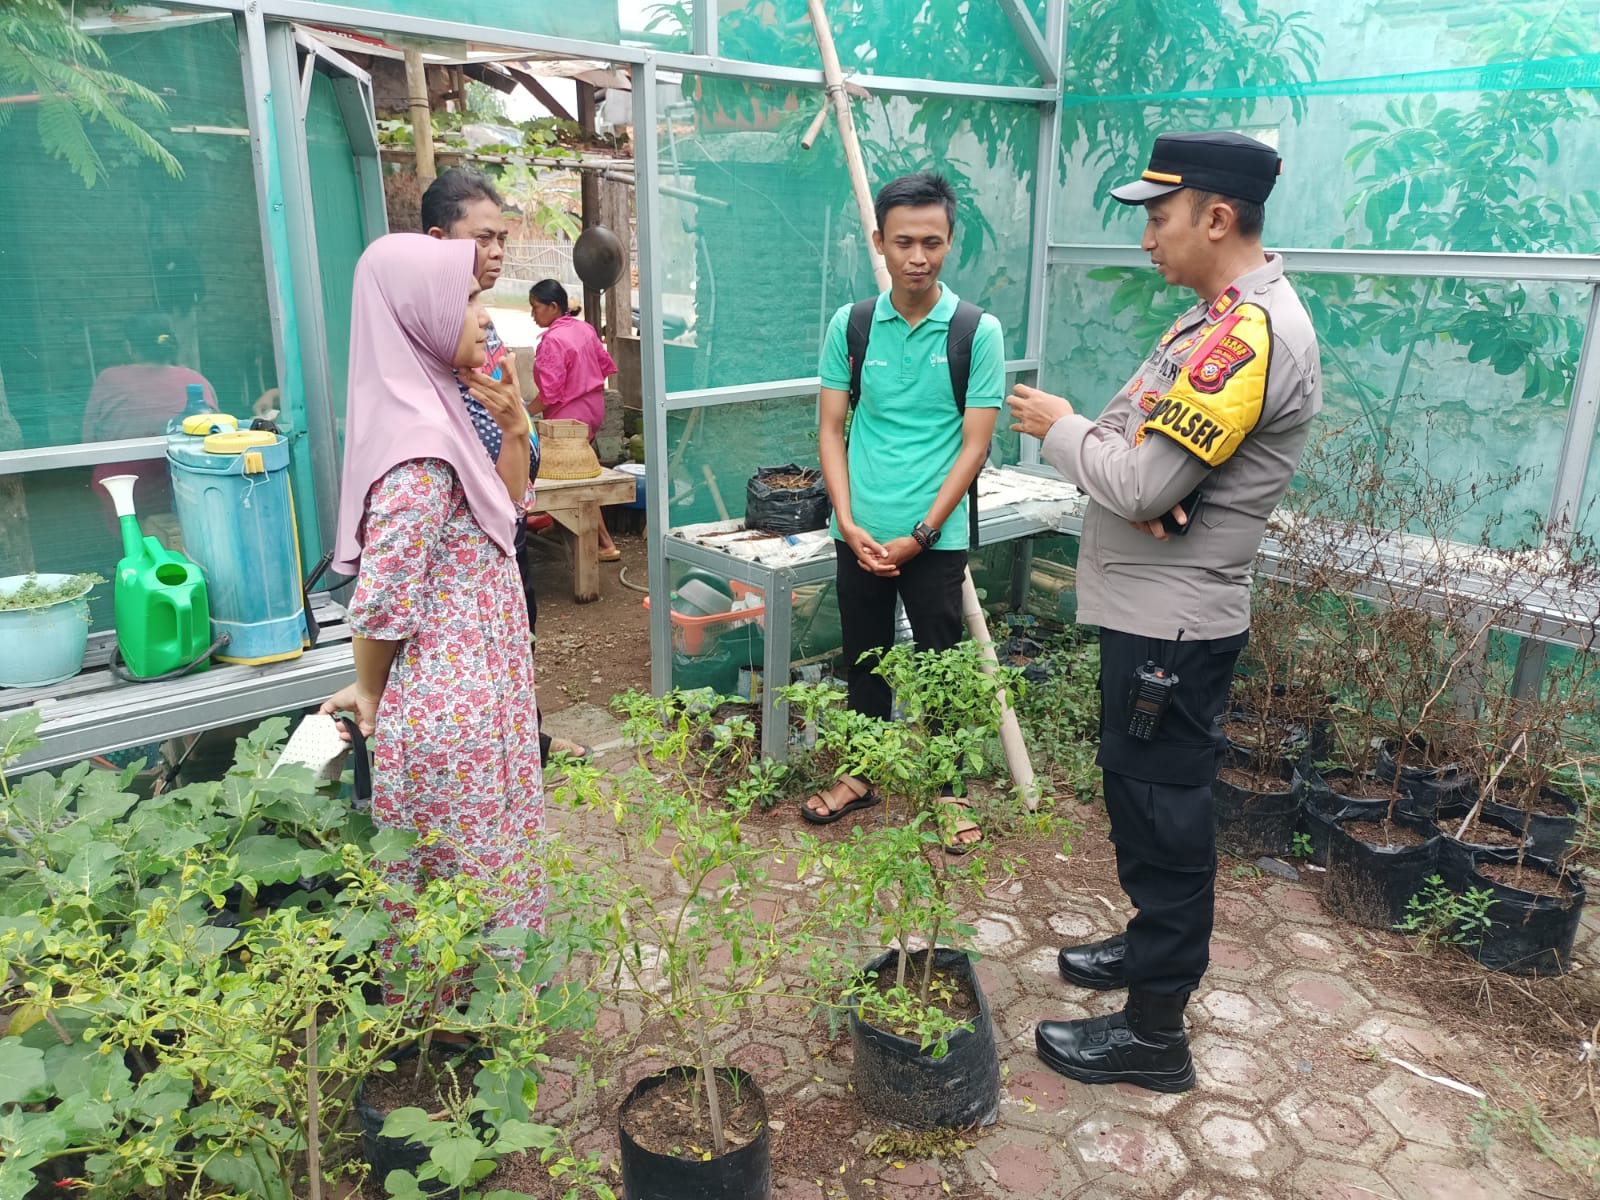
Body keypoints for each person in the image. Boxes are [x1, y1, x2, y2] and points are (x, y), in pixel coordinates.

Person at [1007, 131, 1323, 1092]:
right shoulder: (1212, 319)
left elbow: (1139, 480)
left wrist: (1059, 430)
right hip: (1153, 612)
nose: (1145, 236)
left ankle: (1155, 1039)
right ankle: (1147, 955)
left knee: (1166, 822)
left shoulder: (1247, 336)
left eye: (1157, 214)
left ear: (1216, 218)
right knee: (1138, 802)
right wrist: (1120, 462)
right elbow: (1135, 441)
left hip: (1174, 627)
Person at [320, 232, 545, 995]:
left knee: (479, 855)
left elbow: (506, 517)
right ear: (417, 314)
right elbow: (381, 602)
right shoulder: (418, 449)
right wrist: (371, 692)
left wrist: (515, 428)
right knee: (463, 867)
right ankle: (459, 1019)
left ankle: (488, 997)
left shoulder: (445, 405)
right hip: (455, 699)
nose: (485, 318)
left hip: (485, 683)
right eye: (468, 300)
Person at [806, 172, 1003, 851]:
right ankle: (862, 774)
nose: (918, 257)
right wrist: (847, 518)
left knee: (941, 661)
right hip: (857, 531)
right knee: (865, 656)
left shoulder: (977, 332)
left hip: (934, 538)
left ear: (950, 242)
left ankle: (948, 788)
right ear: (879, 242)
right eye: (904, 242)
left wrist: (922, 533)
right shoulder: (852, 325)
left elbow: (975, 444)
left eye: (933, 242)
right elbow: (832, 429)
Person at [422, 167, 589, 762]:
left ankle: (526, 744)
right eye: (484, 239)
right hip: (463, 539)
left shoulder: (484, 329)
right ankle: (495, 757)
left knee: (519, 640)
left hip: (507, 519)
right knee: (472, 655)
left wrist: (521, 435)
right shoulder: (424, 337)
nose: (496, 253)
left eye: (502, 241)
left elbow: (508, 420)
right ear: (439, 242)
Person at [84, 313, 218, 543]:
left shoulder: (110, 379)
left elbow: (88, 441)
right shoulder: (196, 380)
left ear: (129, 346)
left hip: (124, 489)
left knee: (132, 542)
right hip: (183, 485)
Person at [528, 278, 621, 561]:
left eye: (535, 308)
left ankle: (604, 543)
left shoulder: (553, 341)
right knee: (576, 473)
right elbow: (605, 367)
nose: (533, 315)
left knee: (573, 482)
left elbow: (550, 394)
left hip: (568, 417)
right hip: (593, 407)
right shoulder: (584, 328)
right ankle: (559, 525)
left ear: (553, 307)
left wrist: (522, 411)